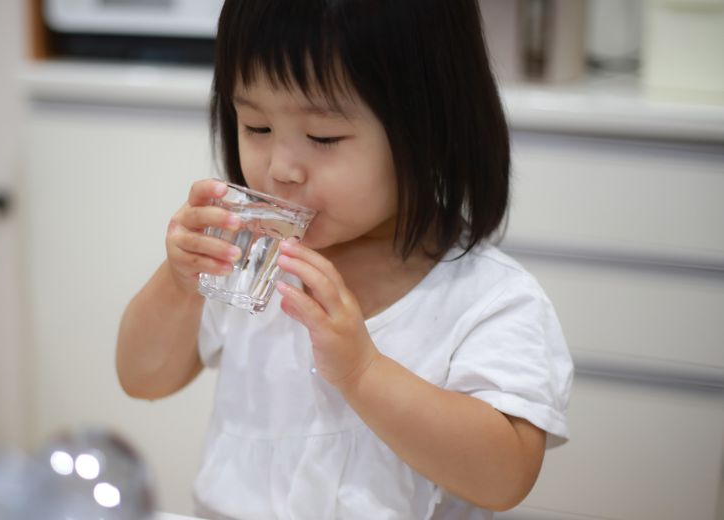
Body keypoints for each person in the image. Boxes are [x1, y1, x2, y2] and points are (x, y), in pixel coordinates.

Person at [116, 0, 573, 518]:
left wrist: (363, 370)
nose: (281, 169)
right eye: (256, 127)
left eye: (323, 137)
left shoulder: (487, 298)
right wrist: (178, 282)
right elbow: (142, 378)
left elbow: (504, 477)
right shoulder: (252, 254)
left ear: (429, 127)